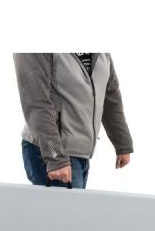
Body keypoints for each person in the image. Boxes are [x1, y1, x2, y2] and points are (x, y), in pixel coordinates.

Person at [13, 53, 133, 189]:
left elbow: (110, 95)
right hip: (51, 152)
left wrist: (122, 143)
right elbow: (36, 103)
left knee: (74, 203)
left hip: (81, 153)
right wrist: (55, 157)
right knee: (67, 204)